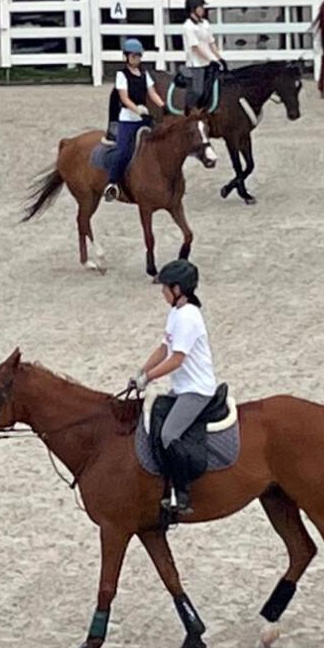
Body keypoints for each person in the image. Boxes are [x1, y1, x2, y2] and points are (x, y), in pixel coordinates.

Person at [127, 258, 217, 524]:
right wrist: (141, 372)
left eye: (165, 287)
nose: (162, 292)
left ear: (178, 289)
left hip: (196, 390)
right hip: (181, 387)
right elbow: (164, 348)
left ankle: (181, 493)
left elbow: (177, 359)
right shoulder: (176, 312)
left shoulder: (188, 316)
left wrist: (149, 379)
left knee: (169, 434)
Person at [104, 38, 165, 202]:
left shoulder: (145, 74)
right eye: (133, 56)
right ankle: (112, 183)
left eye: (138, 56)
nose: (136, 58)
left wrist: (163, 106)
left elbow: (152, 93)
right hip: (128, 119)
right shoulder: (121, 75)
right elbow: (124, 98)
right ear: (126, 57)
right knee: (123, 151)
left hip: (143, 118)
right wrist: (137, 109)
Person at [178, 0, 224, 110]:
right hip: (196, 64)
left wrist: (219, 58)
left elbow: (211, 42)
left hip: (209, 62)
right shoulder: (187, 27)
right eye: (201, 7)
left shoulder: (205, 24)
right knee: (198, 91)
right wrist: (211, 58)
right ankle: (190, 112)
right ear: (193, 8)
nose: (203, 9)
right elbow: (195, 47)